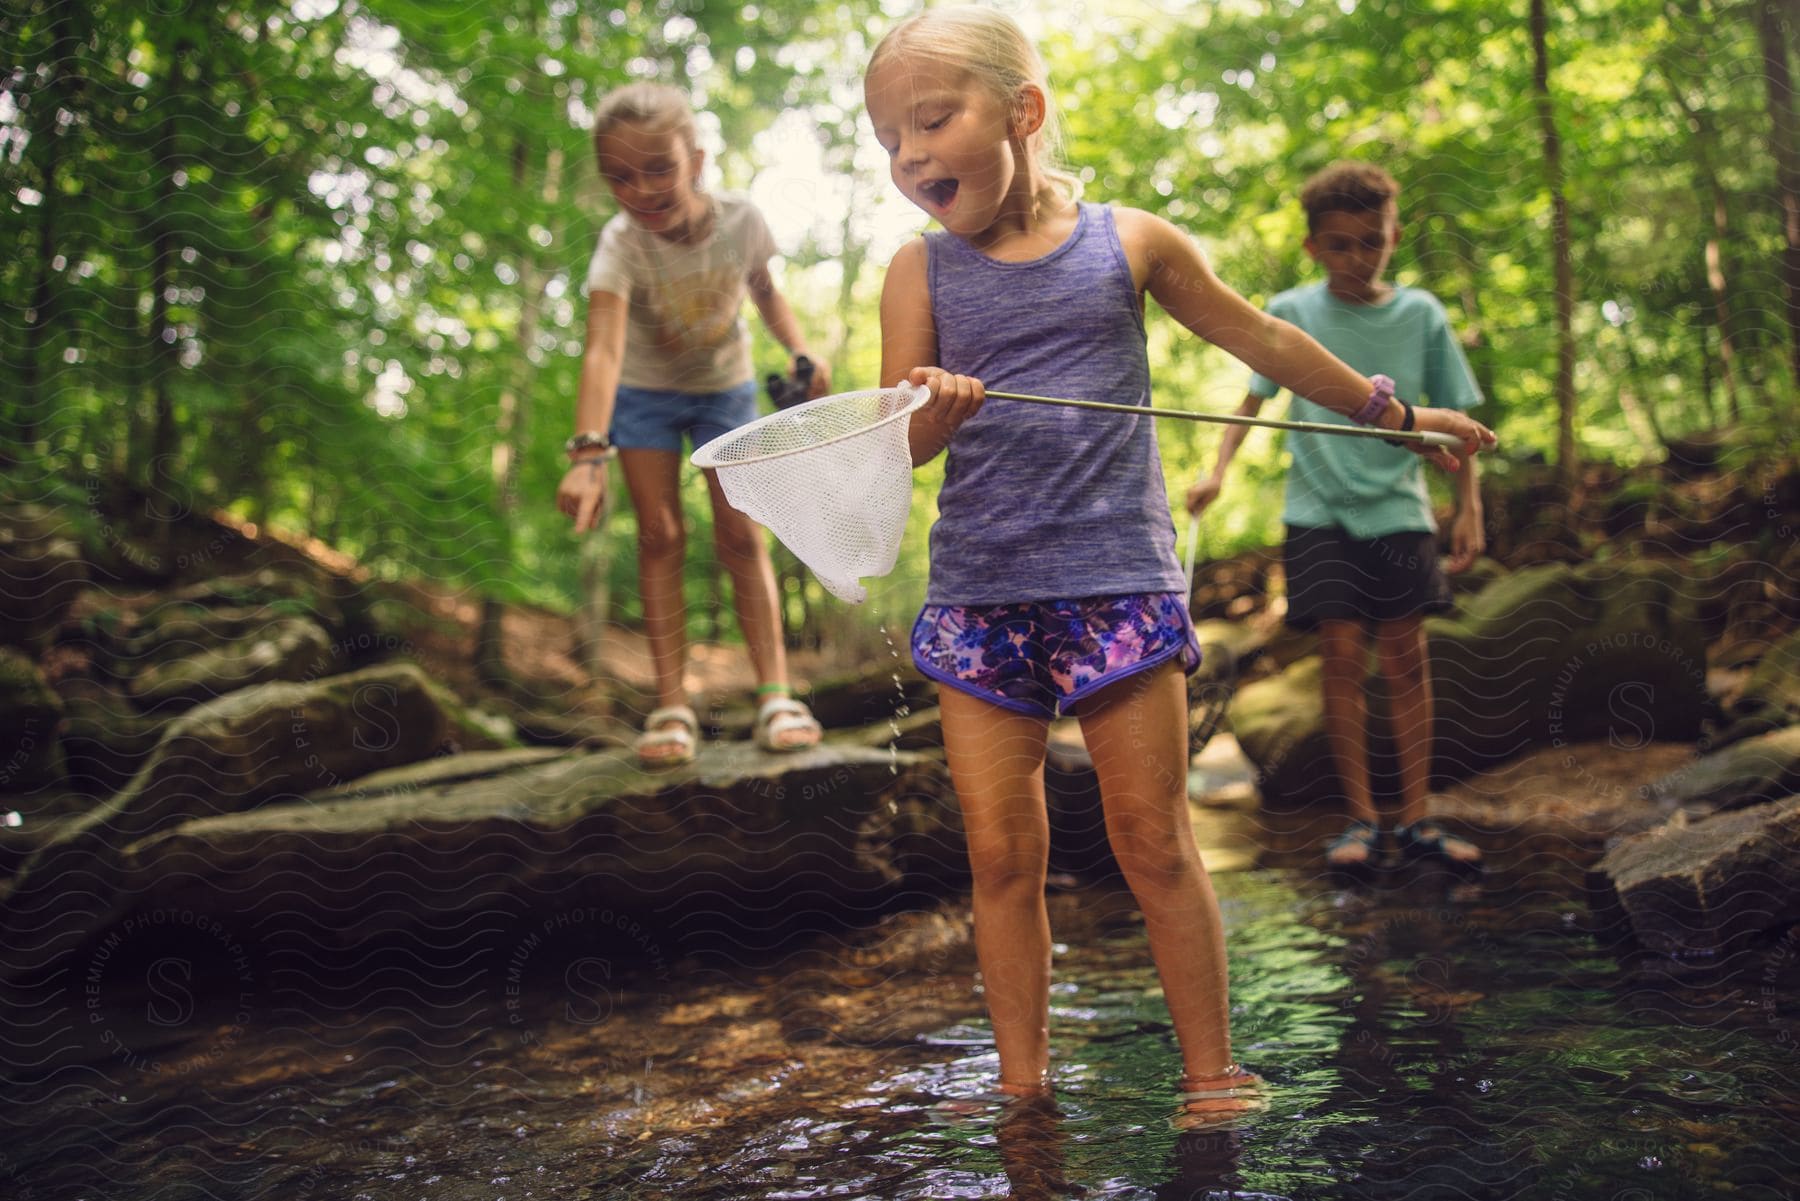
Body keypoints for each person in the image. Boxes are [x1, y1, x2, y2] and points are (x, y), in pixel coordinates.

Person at [863, 8, 1494, 1107]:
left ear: (1024, 113)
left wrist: (1396, 415)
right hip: (980, 597)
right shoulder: (916, 274)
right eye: (888, 139)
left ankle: (1212, 1076)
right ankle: (1024, 1096)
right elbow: (902, 447)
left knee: (1153, 840)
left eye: (931, 121)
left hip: (1117, 585)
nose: (910, 155)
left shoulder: (1130, 241)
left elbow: (1266, 339)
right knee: (1004, 860)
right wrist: (935, 411)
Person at [1187, 161, 1486, 874]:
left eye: (1371, 242)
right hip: (1319, 510)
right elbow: (1253, 400)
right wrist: (1217, 472)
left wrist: (1469, 506)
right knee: (1342, 659)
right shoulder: (1291, 311)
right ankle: (1359, 819)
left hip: (1399, 510)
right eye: (1340, 244)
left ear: (1395, 235)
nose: (1358, 258)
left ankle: (1415, 818)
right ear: (1312, 246)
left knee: (1408, 659)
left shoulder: (1421, 314)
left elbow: (1457, 421)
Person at [556, 82, 829, 767]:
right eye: (618, 176)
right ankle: (671, 703)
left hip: (723, 388)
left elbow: (765, 289)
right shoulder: (620, 245)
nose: (640, 189)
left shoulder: (741, 221)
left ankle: (775, 694)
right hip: (644, 395)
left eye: (658, 169)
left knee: (742, 532)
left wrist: (800, 349)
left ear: (696, 159)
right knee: (659, 535)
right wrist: (590, 451)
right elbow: (604, 349)